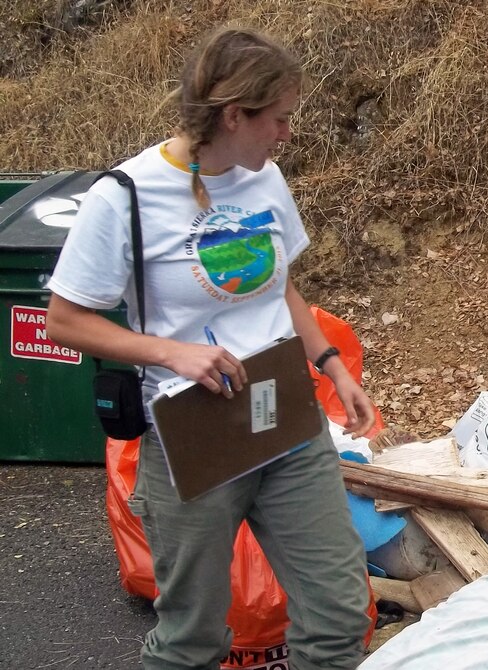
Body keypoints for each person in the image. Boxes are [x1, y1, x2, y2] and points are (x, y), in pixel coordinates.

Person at [45, 27, 374, 670]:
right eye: (277, 119)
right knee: (192, 640)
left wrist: (332, 366)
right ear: (233, 115)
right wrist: (171, 353)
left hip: (283, 414)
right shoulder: (126, 196)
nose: (285, 134)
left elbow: (284, 289)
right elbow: (65, 321)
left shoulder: (263, 178)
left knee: (338, 617)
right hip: (193, 429)